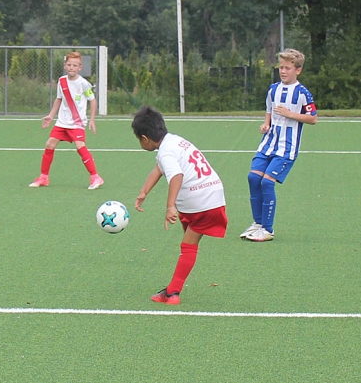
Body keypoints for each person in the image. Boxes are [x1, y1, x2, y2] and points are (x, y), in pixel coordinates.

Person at [132, 106, 227, 305]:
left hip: (200, 201)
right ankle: (172, 291)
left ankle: (172, 293)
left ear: (145, 138)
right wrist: (144, 192)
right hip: (213, 194)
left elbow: (176, 175)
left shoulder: (165, 153)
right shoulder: (174, 141)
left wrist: (170, 206)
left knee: (189, 245)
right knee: (189, 241)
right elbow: (159, 168)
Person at [241, 48, 317, 242]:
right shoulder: (273, 89)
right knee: (253, 178)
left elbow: (313, 118)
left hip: (286, 148)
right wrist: (266, 124)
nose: (283, 71)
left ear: (298, 70)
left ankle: (268, 230)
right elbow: (269, 109)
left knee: (267, 182)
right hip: (268, 144)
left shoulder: (303, 93)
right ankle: (257, 223)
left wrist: (290, 114)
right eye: (281, 67)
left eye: (287, 68)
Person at [28, 51, 103, 190]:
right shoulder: (62, 81)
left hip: (77, 123)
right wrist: (51, 116)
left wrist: (92, 119)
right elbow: (59, 99)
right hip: (62, 122)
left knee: (80, 146)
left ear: (80, 67)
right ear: (65, 66)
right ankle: (43, 177)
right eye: (69, 65)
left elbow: (92, 100)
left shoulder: (84, 84)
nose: (71, 67)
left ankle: (95, 177)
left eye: (75, 65)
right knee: (49, 144)